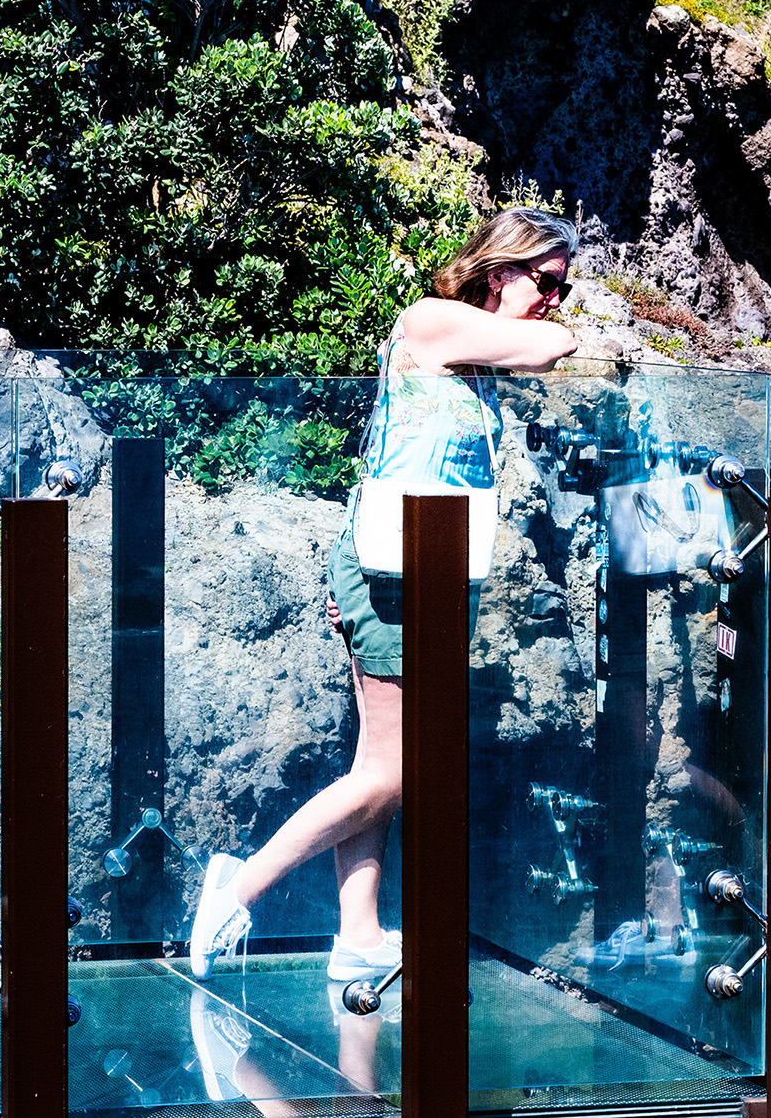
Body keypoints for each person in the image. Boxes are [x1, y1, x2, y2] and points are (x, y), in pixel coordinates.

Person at [186, 208, 582, 987]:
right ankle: (238, 887)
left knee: (379, 762)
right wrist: (353, 578)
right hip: (397, 571)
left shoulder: (470, 358)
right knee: (395, 773)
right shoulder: (433, 320)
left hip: (423, 567)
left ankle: (359, 935)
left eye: (561, 290)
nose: (553, 302)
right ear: (499, 270)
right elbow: (552, 348)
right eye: (546, 282)